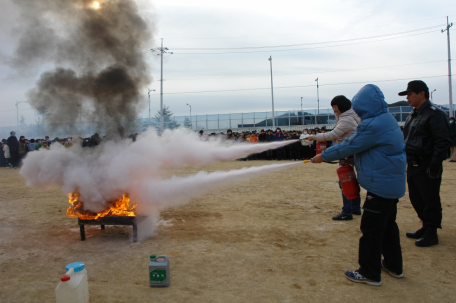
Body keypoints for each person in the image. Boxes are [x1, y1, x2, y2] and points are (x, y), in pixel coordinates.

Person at [312, 84, 406, 286]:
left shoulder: (372, 125)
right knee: (388, 226)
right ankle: (393, 265)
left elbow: (350, 144)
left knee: (370, 230)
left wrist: (323, 155)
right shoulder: (387, 119)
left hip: (381, 185)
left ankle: (369, 273)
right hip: (390, 182)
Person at [400, 80, 451, 247]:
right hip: (413, 163)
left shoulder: (435, 114)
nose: (407, 98)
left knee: (430, 199)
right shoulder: (413, 114)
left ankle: (431, 232)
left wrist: (435, 164)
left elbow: (442, 141)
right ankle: (426, 225)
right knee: (416, 197)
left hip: (427, 163)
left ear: (422, 93)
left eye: (410, 94)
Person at [307, 95, 361, 220]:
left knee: (346, 181)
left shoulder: (346, 119)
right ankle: (355, 208)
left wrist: (315, 137)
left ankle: (347, 211)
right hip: (350, 152)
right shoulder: (349, 116)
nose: (334, 110)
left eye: (335, 107)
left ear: (340, 106)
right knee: (351, 180)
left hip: (347, 153)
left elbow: (333, 135)